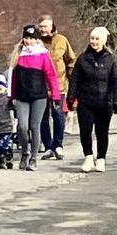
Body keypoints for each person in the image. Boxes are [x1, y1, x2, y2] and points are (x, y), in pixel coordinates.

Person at [66, 26, 117, 173]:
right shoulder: (82, 59)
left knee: (102, 131)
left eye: (97, 39)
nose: (94, 41)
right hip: (86, 101)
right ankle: (88, 157)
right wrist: (71, 98)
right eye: (92, 38)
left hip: (104, 102)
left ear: (103, 41)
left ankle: (101, 159)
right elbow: (74, 80)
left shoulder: (112, 59)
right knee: (85, 130)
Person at [9, 25, 61, 171]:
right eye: (26, 38)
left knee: (34, 126)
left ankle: (33, 158)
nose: (28, 41)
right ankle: (24, 153)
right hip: (22, 96)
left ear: (37, 40)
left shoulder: (43, 54)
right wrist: (11, 97)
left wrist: (55, 95)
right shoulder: (18, 55)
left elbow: (51, 76)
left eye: (32, 38)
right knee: (22, 127)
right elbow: (13, 79)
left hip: (39, 96)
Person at [38, 14, 76, 159]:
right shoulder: (35, 42)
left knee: (58, 116)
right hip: (40, 87)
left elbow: (71, 61)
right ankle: (48, 147)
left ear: (52, 26)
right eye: (41, 27)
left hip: (59, 86)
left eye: (45, 26)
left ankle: (58, 145)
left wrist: (73, 82)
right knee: (42, 118)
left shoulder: (61, 40)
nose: (43, 29)